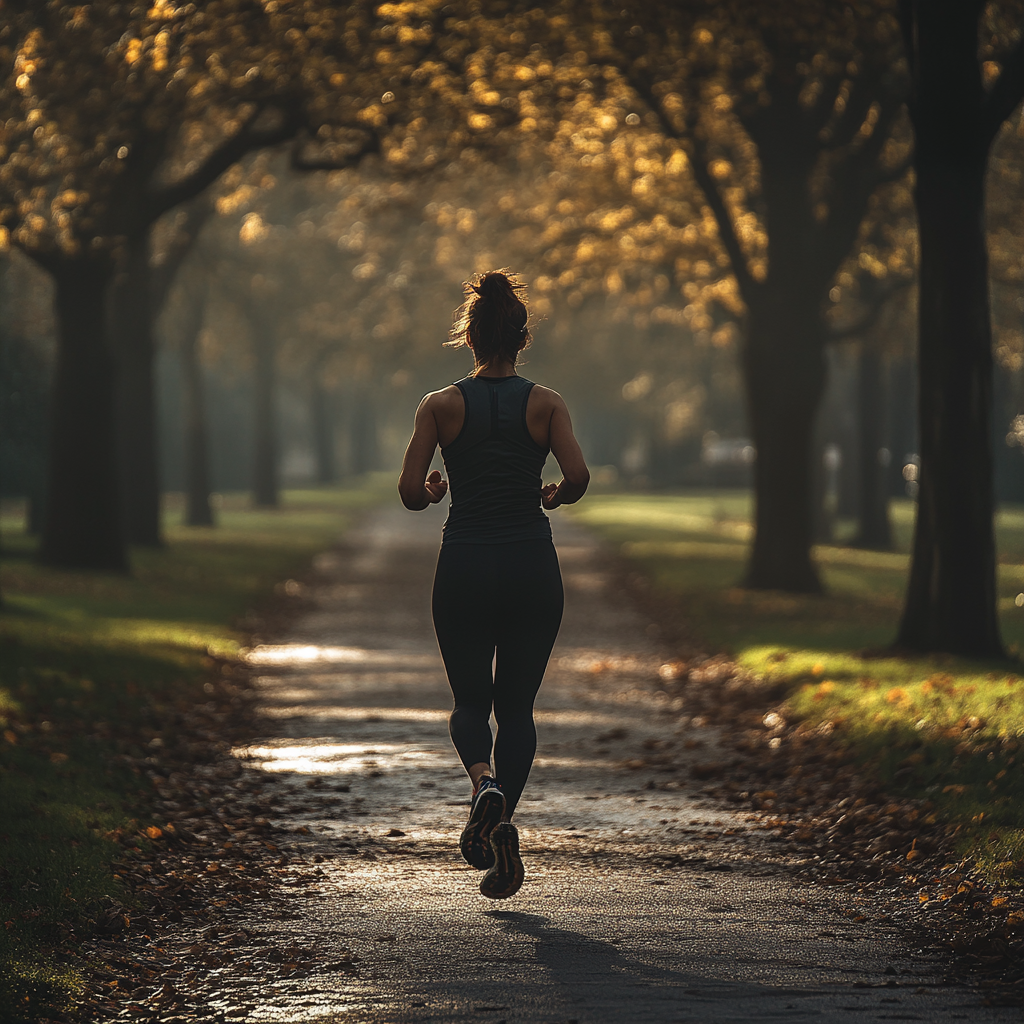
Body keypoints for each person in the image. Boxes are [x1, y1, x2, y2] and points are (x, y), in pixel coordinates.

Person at [398, 269, 590, 899]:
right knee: (517, 709)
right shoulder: (546, 402)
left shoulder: (440, 404)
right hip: (532, 565)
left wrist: (431, 492)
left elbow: (410, 494)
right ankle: (501, 825)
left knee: (469, 704)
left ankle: (484, 785)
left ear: (471, 338)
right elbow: (579, 474)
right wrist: (557, 495)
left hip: (466, 567)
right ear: (521, 337)